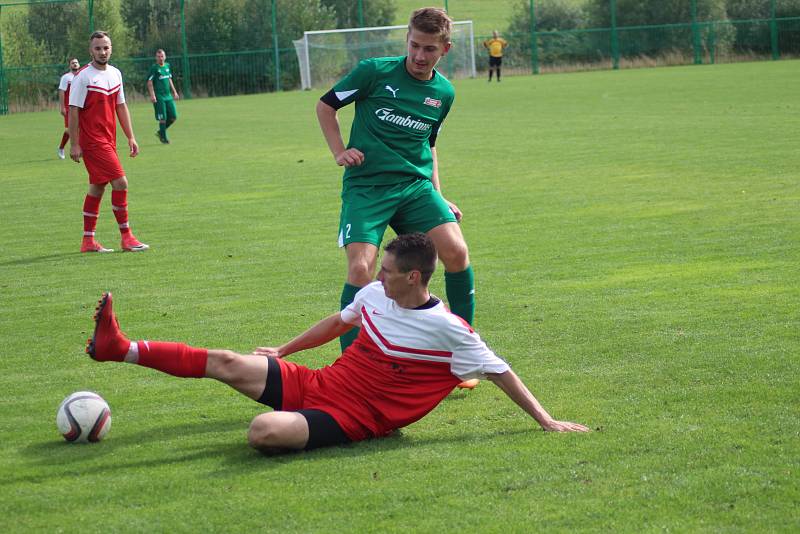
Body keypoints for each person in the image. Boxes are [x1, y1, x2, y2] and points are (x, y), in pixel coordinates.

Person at [86, 233, 590, 453]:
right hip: (321, 384)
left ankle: (301, 425)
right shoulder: (374, 293)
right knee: (226, 361)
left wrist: (546, 421)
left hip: (355, 418)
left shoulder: (451, 330)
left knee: (262, 431)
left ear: (414, 277)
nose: (376, 275)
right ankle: (119, 348)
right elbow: (337, 322)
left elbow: (500, 370)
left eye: (388, 272)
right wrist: (284, 351)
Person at [316, 7, 476, 357]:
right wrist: (339, 151)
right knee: (361, 269)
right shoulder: (374, 72)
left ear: (444, 49)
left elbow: (429, 144)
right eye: (414, 45)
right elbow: (326, 106)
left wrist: (438, 194)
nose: (419, 56)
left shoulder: (443, 93)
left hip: (415, 188)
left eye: (429, 49)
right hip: (368, 187)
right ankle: (351, 366)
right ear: (407, 39)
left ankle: (463, 352)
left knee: (457, 252)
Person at [69, 31, 149, 253]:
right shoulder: (82, 77)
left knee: (97, 186)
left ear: (111, 48)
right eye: (97, 48)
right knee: (120, 182)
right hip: (93, 141)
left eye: (105, 47)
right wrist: (75, 143)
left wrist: (130, 136)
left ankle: (88, 241)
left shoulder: (115, 74)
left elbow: (121, 107)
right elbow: (73, 111)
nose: (102, 52)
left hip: (108, 139)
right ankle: (127, 237)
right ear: (90, 50)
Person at [146, 49, 179, 144]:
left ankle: (161, 132)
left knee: (173, 117)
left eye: (162, 56)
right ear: (156, 58)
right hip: (159, 96)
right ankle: (164, 138)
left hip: (168, 96)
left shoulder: (167, 66)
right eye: (158, 56)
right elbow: (149, 82)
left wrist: (175, 92)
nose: (160, 58)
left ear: (165, 57)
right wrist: (152, 95)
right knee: (162, 118)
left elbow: (169, 79)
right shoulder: (154, 68)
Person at [57, 58, 81, 160]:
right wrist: (62, 107)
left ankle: (80, 149)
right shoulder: (66, 77)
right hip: (69, 107)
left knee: (81, 129)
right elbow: (62, 92)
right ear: (69, 65)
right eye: (73, 63)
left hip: (80, 107)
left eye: (76, 62)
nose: (75, 64)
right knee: (69, 129)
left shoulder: (81, 76)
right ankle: (61, 147)